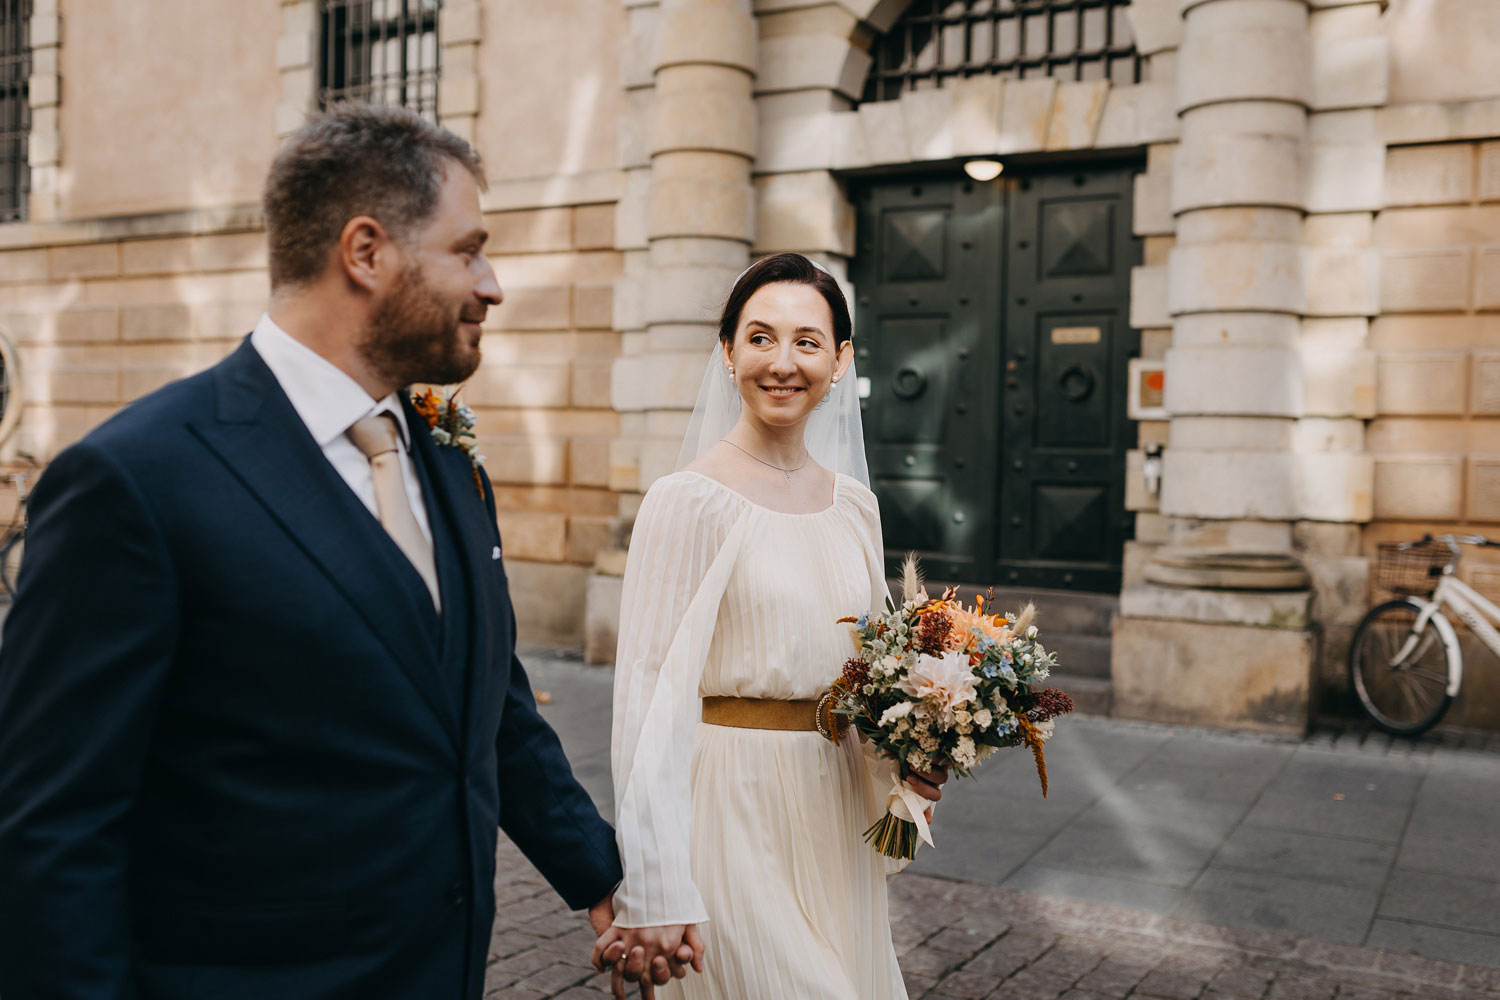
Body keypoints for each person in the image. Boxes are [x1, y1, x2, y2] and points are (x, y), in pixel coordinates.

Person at [0, 103, 624, 1000]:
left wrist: (598, 872)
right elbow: (53, 831)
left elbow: (486, 699)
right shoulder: (137, 480)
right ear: (365, 252)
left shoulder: (443, 455)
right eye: (468, 248)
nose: (491, 284)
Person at [597, 253, 947, 999]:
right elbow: (648, 699)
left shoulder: (856, 506)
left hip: (834, 810)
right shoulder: (687, 501)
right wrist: (655, 883)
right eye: (760, 338)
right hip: (729, 808)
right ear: (727, 352)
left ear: (841, 359)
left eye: (807, 342)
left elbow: (871, 671)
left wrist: (916, 755)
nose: (782, 363)